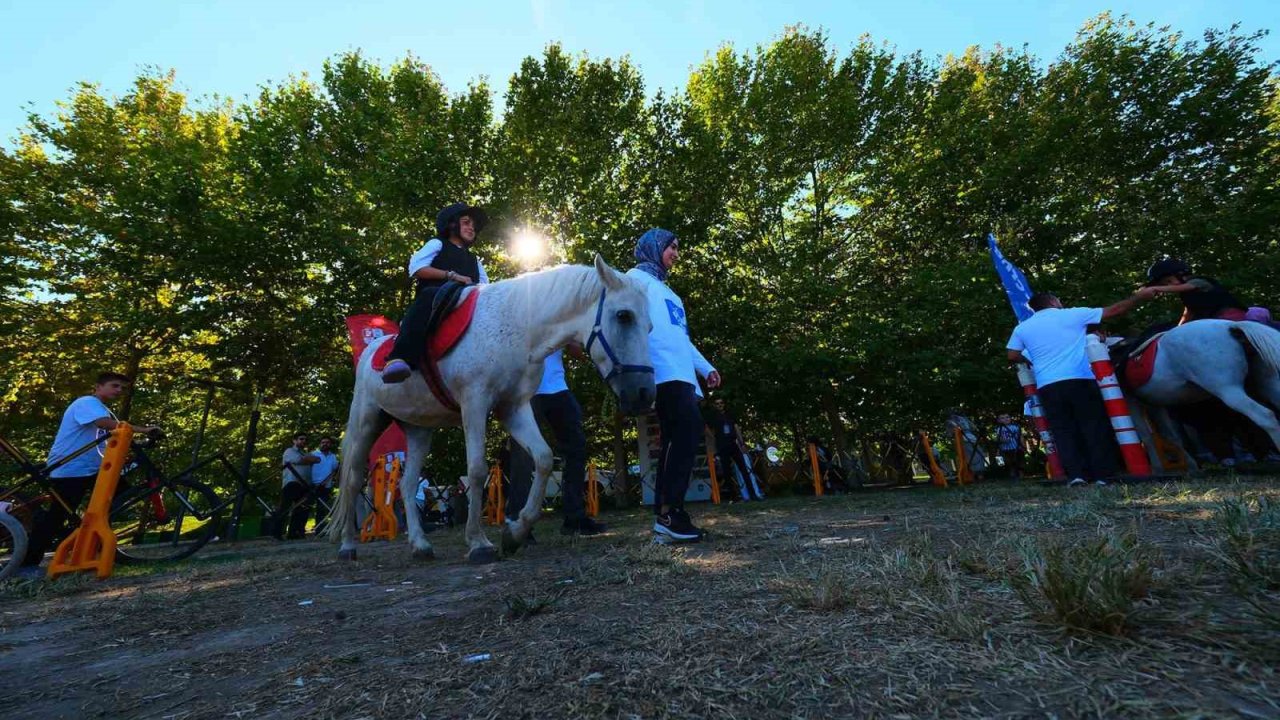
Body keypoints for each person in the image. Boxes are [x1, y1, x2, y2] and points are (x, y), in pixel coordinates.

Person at [1006, 288, 1162, 486]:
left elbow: (1012, 355)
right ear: (1054, 302)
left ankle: (1076, 476)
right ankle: (1101, 475)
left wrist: (1032, 357)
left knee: (1063, 431)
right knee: (1093, 427)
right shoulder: (1073, 314)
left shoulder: (1023, 328)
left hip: (1047, 385)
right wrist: (1139, 297)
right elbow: (1114, 310)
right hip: (1080, 378)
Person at [627, 228, 720, 543]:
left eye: (678, 248)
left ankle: (670, 516)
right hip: (661, 374)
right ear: (652, 248)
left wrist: (705, 368)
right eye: (671, 247)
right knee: (683, 434)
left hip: (684, 377)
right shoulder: (633, 280)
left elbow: (682, 339)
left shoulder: (672, 295)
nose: (676, 254)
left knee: (680, 437)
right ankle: (669, 514)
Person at [18, 372, 160, 577]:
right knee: (56, 517)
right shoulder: (86, 402)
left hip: (94, 469)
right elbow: (104, 424)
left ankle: (100, 550)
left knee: (121, 498)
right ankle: (26, 565)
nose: (119, 391)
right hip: (71, 469)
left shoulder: (103, 408)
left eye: (122, 388)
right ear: (98, 386)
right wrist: (144, 430)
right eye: (115, 386)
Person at [382, 203, 490, 383]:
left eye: (474, 225)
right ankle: (398, 357)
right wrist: (452, 276)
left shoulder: (474, 260)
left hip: (467, 304)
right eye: (466, 222)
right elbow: (417, 268)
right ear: (452, 224)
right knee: (430, 293)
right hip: (434, 305)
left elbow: (485, 286)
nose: (472, 227)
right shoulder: (437, 243)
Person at [505, 348, 607, 536]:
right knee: (524, 455)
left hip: (558, 387)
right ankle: (518, 520)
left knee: (576, 447)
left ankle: (574, 518)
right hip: (526, 389)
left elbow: (577, 349)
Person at [1144, 258, 1246, 324]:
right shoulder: (1187, 298)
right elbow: (1187, 313)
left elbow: (1184, 287)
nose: (1168, 285)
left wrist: (1154, 288)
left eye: (1168, 281)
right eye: (1165, 284)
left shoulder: (1198, 282)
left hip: (1230, 315)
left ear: (1180, 274)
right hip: (1212, 320)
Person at [705, 397, 764, 501]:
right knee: (727, 472)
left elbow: (736, 428)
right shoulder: (713, 416)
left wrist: (742, 443)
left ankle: (753, 494)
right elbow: (706, 427)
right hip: (722, 445)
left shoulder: (730, 414)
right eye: (717, 403)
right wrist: (714, 439)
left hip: (733, 443)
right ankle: (733, 496)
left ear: (724, 404)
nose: (720, 405)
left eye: (721, 403)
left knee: (744, 469)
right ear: (714, 405)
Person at [277, 433, 320, 540]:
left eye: (305, 439)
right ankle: (276, 534)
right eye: (301, 439)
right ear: (294, 440)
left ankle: (296, 533)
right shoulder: (289, 451)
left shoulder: (306, 453)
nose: (303, 441)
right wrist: (309, 459)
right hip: (292, 483)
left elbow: (318, 460)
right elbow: (299, 460)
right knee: (284, 508)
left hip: (305, 485)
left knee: (302, 509)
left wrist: (309, 458)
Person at [944, 410, 987, 481]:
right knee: (971, 457)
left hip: (970, 439)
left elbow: (973, 427)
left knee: (977, 456)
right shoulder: (950, 422)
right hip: (962, 440)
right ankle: (974, 475)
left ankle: (979, 475)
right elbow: (950, 434)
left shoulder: (963, 419)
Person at [309, 436, 339, 532]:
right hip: (313, 484)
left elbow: (335, 470)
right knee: (306, 507)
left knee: (322, 508)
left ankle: (319, 529)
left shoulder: (333, 456)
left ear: (330, 444)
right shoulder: (313, 454)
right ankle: (297, 530)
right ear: (320, 444)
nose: (325, 444)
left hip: (326, 485)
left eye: (327, 442)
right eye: (323, 442)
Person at [994, 413, 1024, 480]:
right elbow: (997, 439)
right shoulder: (998, 429)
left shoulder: (1015, 427)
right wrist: (1001, 441)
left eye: (1007, 417)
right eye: (1002, 418)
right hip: (1005, 449)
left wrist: (1023, 445)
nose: (1005, 419)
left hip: (1016, 447)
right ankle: (1010, 474)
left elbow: (1021, 436)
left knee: (1019, 461)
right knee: (1007, 462)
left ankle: (1021, 474)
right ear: (998, 420)